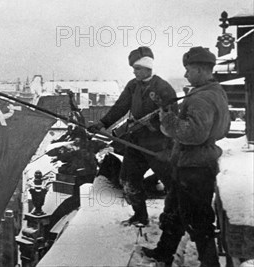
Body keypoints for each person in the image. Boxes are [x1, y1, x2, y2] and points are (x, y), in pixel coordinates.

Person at [142, 47, 230, 267]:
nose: (185, 75)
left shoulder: (202, 98)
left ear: (200, 70)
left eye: (188, 70)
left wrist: (168, 120)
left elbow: (192, 134)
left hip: (195, 167)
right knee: (175, 211)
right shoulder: (214, 92)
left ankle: (210, 264)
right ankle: (164, 252)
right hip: (194, 162)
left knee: (198, 220)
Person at [89, 46, 176, 226]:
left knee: (173, 185)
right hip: (136, 143)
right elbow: (120, 107)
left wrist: (156, 131)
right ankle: (140, 216)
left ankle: (176, 220)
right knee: (128, 180)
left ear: (147, 67)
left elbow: (173, 120)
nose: (134, 72)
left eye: (137, 68)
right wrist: (102, 123)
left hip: (158, 146)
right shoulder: (133, 86)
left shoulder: (164, 89)